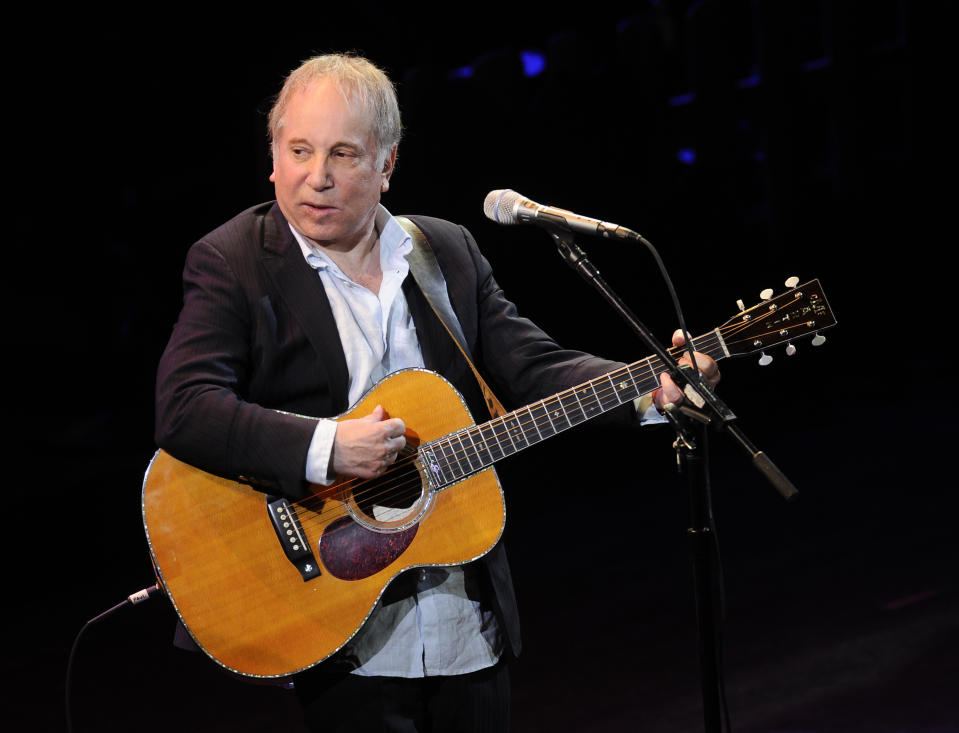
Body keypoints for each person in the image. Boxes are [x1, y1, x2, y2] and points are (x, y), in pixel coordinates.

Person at [154, 52, 720, 732]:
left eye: (342, 154)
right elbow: (185, 408)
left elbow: (534, 368)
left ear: (386, 164)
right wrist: (330, 447)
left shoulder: (443, 250)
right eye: (298, 150)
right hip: (337, 628)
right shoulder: (234, 261)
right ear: (272, 156)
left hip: (463, 626)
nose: (316, 176)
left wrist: (650, 388)